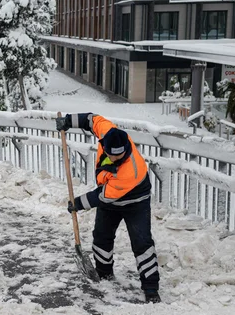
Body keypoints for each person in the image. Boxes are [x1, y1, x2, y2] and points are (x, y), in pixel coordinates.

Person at [56, 112, 160, 303]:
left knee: (141, 242)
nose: (113, 159)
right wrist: (68, 121)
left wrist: (77, 204)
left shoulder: (130, 171)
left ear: (125, 150)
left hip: (135, 202)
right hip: (109, 197)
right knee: (101, 238)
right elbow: (91, 119)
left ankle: (151, 288)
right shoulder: (108, 133)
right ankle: (104, 275)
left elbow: (102, 196)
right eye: (110, 155)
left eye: (118, 156)